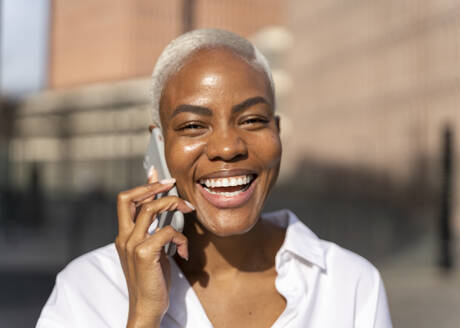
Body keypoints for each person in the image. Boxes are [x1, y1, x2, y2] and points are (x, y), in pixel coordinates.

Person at [37, 29, 392, 328]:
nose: (227, 147)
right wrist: (143, 317)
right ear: (159, 146)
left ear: (278, 132)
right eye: (193, 126)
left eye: (253, 120)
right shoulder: (88, 288)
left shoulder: (350, 285)